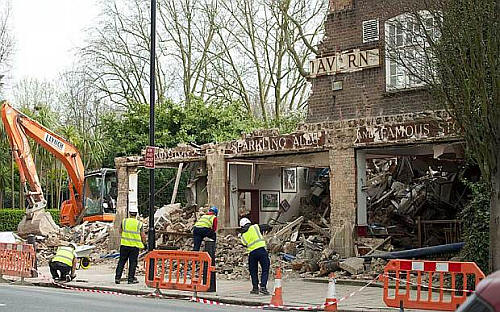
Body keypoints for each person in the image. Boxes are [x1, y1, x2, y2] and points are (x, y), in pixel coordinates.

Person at [239, 217, 272, 295]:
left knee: (253, 271)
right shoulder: (255, 227)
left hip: (252, 253)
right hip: (261, 250)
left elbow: (244, 244)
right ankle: (263, 287)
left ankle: (255, 288)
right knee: (265, 268)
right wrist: (269, 226)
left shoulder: (242, 236)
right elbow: (265, 226)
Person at [115, 205, 146, 284]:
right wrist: (145, 244)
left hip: (124, 245)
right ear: (136, 214)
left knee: (121, 261)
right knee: (133, 263)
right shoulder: (139, 224)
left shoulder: (124, 221)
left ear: (129, 213)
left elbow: (120, 231)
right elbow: (143, 235)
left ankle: (117, 278)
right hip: (134, 247)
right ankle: (130, 279)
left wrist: (126, 236)